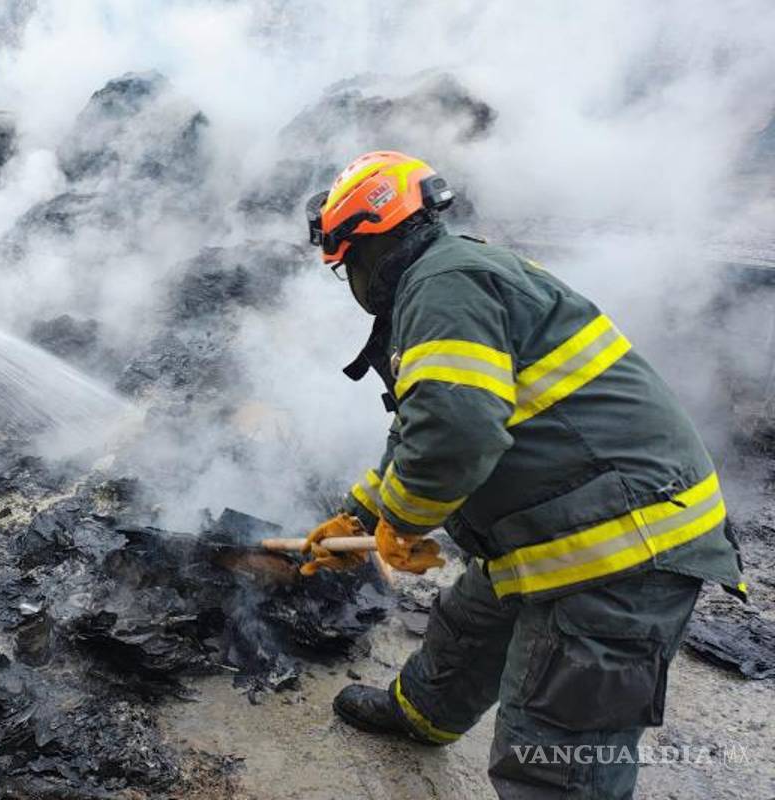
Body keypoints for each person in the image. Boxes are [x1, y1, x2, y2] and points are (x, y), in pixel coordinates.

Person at [301, 150, 746, 798]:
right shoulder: (449, 277)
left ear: (365, 245)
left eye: (346, 266)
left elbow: (456, 431)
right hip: (571, 519)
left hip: (622, 547)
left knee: (555, 759)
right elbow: (419, 425)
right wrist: (363, 513)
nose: (350, 283)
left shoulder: (442, 285)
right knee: (472, 623)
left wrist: (404, 520)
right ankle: (422, 713)